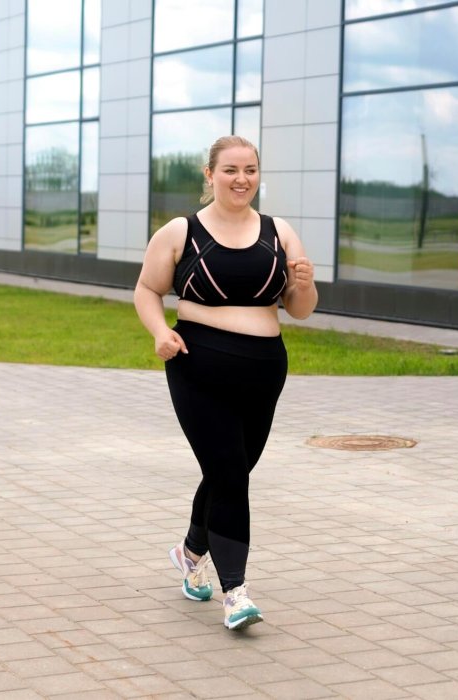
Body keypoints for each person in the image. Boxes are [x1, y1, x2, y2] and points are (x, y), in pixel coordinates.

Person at [134, 135, 318, 630]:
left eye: (251, 170)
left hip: (263, 369)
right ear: (210, 174)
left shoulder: (279, 231)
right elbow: (147, 289)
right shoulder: (181, 231)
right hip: (198, 368)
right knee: (231, 475)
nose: (242, 179)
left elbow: (299, 310)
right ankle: (235, 591)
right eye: (231, 169)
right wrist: (160, 332)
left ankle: (191, 552)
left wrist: (303, 284)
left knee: (230, 471)